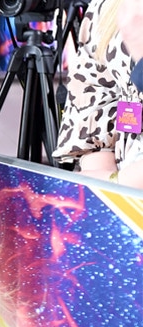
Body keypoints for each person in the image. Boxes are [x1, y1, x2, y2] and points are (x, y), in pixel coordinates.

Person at [55, 0, 143, 188]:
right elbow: (91, 86)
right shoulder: (105, 6)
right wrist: (105, 181)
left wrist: (125, 181)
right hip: (123, 194)